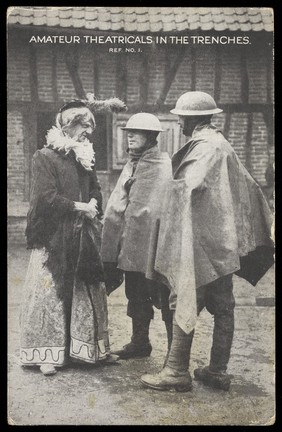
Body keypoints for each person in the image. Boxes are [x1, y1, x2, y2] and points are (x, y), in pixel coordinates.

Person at [140, 91, 274, 391]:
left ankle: (176, 371)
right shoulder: (222, 144)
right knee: (223, 303)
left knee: (183, 298)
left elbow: (190, 185)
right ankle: (217, 369)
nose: (179, 123)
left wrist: (164, 192)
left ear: (192, 118)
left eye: (181, 118)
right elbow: (248, 186)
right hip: (222, 242)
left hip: (200, 242)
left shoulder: (206, 147)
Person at [20, 96, 126, 375]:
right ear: (67, 126)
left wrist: (93, 203)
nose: (89, 132)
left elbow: (95, 190)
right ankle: (49, 354)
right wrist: (79, 207)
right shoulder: (44, 157)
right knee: (53, 291)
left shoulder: (84, 157)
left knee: (86, 289)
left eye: (91, 127)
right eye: (85, 126)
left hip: (82, 233)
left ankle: (89, 350)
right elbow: (45, 198)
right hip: (53, 236)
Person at [101, 113, 173, 360]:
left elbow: (157, 207)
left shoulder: (161, 165)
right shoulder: (133, 163)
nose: (130, 136)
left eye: (137, 132)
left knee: (163, 294)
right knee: (135, 293)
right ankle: (140, 342)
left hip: (154, 244)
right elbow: (119, 204)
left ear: (151, 137)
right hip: (132, 244)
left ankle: (175, 354)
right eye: (128, 131)